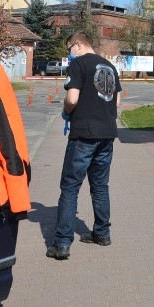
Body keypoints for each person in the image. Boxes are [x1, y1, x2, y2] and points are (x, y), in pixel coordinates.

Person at [47, 32, 122, 260]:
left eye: (70, 47)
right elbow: (117, 101)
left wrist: (66, 112)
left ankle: (62, 243)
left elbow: (72, 99)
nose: (70, 52)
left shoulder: (78, 64)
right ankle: (102, 233)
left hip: (83, 135)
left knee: (70, 187)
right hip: (107, 134)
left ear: (78, 44)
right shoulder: (109, 66)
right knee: (100, 186)